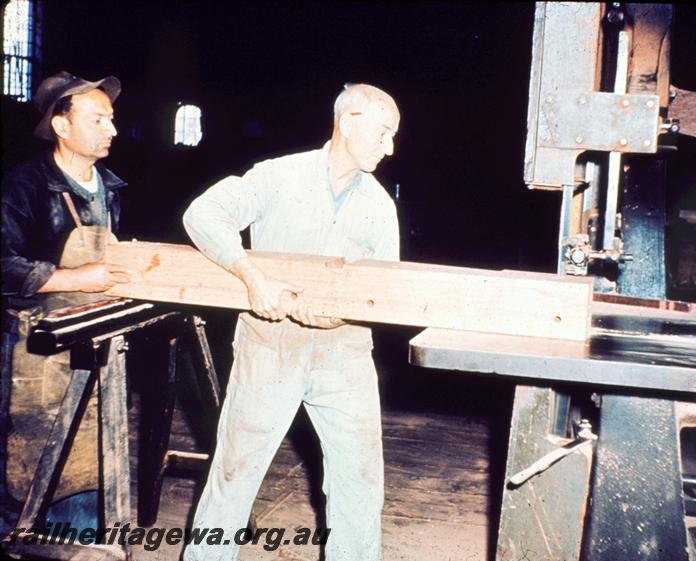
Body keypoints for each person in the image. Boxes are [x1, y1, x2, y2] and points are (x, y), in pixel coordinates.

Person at [182, 83, 400, 561]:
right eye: (383, 134)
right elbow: (204, 214)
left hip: (344, 355)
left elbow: (383, 290)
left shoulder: (380, 207)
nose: (390, 148)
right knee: (234, 472)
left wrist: (339, 314)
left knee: (359, 481)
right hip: (269, 347)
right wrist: (252, 277)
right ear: (348, 122)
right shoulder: (277, 176)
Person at [0, 71, 130, 530]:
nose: (112, 130)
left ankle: (80, 540)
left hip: (91, 335)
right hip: (33, 348)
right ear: (61, 126)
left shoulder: (110, 188)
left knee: (90, 450)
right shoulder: (25, 185)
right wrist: (72, 277)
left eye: (111, 119)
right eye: (98, 120)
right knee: (30, 458)